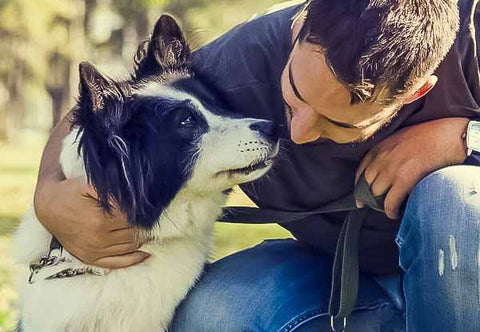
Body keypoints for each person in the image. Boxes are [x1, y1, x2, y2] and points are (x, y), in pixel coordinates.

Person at [34, 0, 480, 330]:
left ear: (415, 92)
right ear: (300, 27)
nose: (299, 132)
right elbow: (107, 107)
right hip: (338, 279)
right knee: (206, 318)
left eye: (336, 123)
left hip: (465, 281)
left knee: (454, 198)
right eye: (294, 95)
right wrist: (47, 194)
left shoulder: (472, 37)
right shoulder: (241, 59)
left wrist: (460, 136)